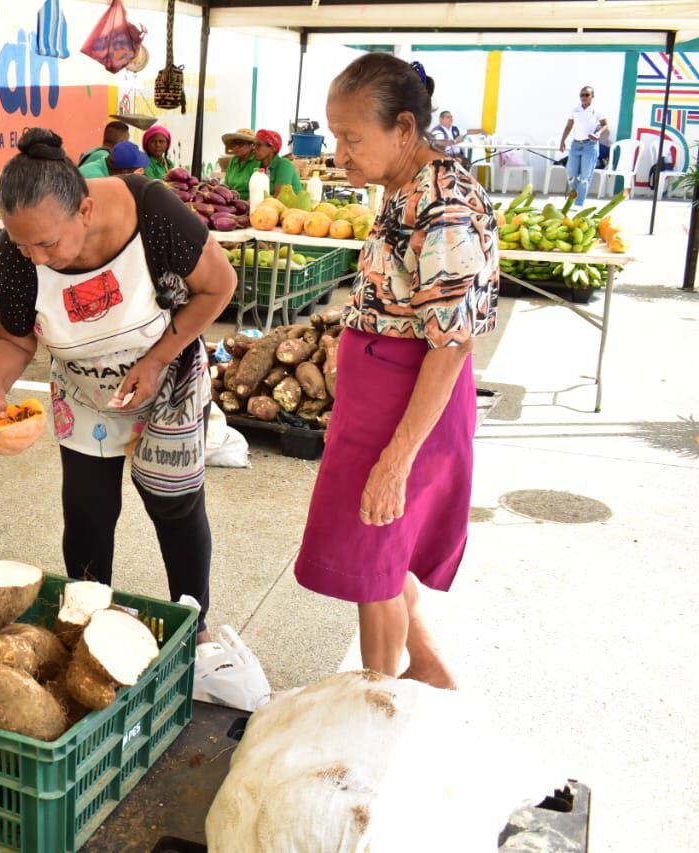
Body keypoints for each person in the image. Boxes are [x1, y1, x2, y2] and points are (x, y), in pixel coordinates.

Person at [0, 128, 235, 638]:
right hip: (83, 389)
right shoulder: (21, 251)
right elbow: (17, 336)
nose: (38, 258)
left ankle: (194, 622)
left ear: (85, 211)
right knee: (88, 510)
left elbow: (218, 286)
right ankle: (89, 619)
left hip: (165, 370)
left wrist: (157, 360)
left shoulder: (153, 211)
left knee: (174, 502)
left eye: (48, 242)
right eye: (25, 246)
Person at [296, 54, 499, 689]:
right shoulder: (405, 190)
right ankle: (429, 669)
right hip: (379, 401)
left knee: (375, 558)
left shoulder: (444, 207)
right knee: (381, 549)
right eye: (336, 135)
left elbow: (451, 344)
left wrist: (397, 459)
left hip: (409, 410)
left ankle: (375, 703)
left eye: (352, 138)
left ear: (404, 128)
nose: (340, 152)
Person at [559, 86, 609, 206]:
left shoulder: (598, 109)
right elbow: (569, 126)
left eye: (586, 95)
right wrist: (563, 140)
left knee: (585, 177)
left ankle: (578, 203)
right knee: (571, 174)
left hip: (590, 145)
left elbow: (605, 125)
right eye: (582, 95)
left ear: (592, 96)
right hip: (576, 144)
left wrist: (598, 134)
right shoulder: (575, 109)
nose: (584, 97)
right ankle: (572, 198)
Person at [253, 129, 303, 195]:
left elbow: (279, 196)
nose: (254, 148)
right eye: (254, 144)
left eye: (259, 145)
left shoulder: (284, 164)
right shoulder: (259, 166)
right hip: (269, 204)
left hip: (291, 205)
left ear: (272, 148)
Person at [221, 127, 260, 199]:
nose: (236, 147)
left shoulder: (257, 161)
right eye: (234, 144)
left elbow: (259, 192)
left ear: (251, 145)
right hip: (231, 201)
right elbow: (226, 185)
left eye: (240, 144)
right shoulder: (233, 160)